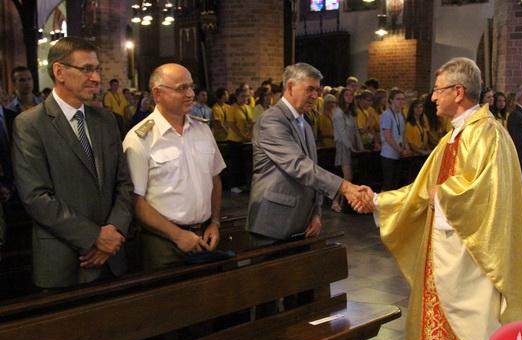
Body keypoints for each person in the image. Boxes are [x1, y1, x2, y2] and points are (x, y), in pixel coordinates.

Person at [353, 57, 522, 340]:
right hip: (444, 259)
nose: (432, 97)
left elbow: (487, 196)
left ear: (458, 91)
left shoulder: (488, 134)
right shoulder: (454, 136)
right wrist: (376, 200)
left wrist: (443, 195)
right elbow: (421, 190)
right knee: (441, 338)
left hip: (470, 263)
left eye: (437, 90)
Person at [11, 37, 133, 288]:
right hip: (64, 260)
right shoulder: (30, 124)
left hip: (112, 258)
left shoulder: (107, 120)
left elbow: (124, 184)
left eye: (97, 69)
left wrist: (114, 231)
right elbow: (36, 198)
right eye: (87, 69)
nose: (96, 78)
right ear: (59, 72)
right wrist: (94, 237)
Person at [247, 63, 366, 240]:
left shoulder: (304, 124)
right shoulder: (271, 120)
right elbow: (298, 165)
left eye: (317, 90)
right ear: (290, 87)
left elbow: (312, 168)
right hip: (273, 221)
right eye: (310, 89)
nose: (315, 96)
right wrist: (345, 187)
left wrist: (316, 212)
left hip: (302, 220)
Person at [123, 63, 226, 270]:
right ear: (157, 94)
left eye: (191, 87)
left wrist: (215, 222)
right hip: (163, 242)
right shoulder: (140, 138)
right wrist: (178, 235)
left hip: (203, 235)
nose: (190, 94)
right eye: (181, 88)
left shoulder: (202, 130)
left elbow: (214, 179)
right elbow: (135, 201)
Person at [331, 87, 363, 212]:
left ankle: (343, 202)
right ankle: (335, 201)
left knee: (349, 177)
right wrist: (351, 147)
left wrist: (360, 146)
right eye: (347, 95)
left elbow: (355, 131)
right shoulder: (338, 112)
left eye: (351, 95)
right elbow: (342, 133)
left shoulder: (350, 112)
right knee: (347, 176)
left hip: (352, 145)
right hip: (343, 146)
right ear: (342, 97)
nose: (349, 97)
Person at [379, 89, 410, 191]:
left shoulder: (400, 114)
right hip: (388, 154)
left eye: (403, 99)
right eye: (398, 99)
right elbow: (387, 136)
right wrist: (401, 150)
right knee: (388, 184)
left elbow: (403, 134)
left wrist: (406, 147)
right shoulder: (386, 114)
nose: (401, 101)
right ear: (391, 100)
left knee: (395, 185)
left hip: (398, 154)